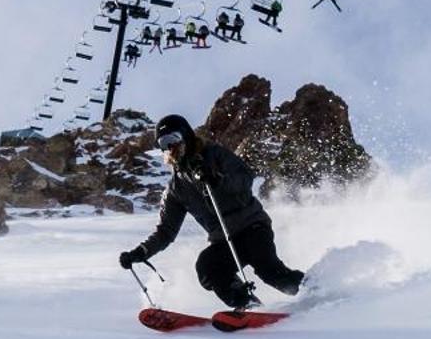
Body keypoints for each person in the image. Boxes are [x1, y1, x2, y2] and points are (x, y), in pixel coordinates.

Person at [118, 115, 304, 311]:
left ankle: (315, 289)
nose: (170, 147)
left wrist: (217, 179)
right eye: (163, 143)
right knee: (208, 267)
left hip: (252, 226)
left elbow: (245, 179)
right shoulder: (176, 188)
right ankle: (247, 306)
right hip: (223, 238)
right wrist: (141, 252)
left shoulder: (214, 154)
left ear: (186, 135)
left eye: (173, 138)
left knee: (269, 270)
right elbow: (165, 231)